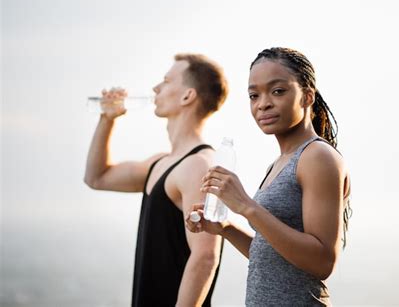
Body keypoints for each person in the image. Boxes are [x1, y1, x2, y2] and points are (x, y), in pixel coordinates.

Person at [186, 47, 352, 306]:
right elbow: (274, 255)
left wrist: (246, 206)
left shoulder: (318, 157)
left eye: (278, 91)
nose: (263, 103)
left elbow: (321, 262)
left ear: (307, 96)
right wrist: (226, 229)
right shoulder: (279, 163)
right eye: (254, 95)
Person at [84, 53, 228, 307]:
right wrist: (106, 119)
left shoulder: (199, 165)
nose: (155, 88)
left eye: (166, 80)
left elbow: (205, 256)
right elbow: (97, 177)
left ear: (187, 96)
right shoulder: (161, 163)